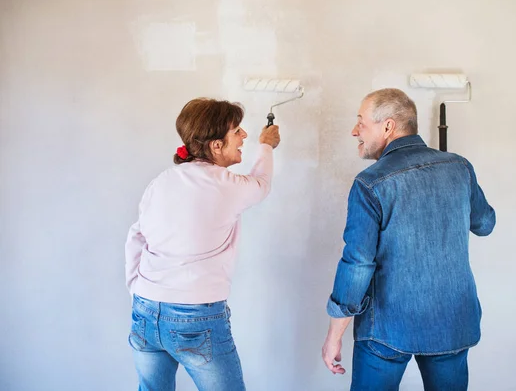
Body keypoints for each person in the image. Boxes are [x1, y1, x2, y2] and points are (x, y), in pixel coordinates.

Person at [322, 88, 496, 391]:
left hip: (387, 328)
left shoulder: (370, 183)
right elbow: (485, 224)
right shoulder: (459, 167)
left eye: (361, 122)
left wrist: (334, 335)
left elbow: (357, 264)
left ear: (388, 126)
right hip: (451, 320)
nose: (354, 131)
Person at [125, 97, 280, 391]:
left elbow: (136, 236)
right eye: (237, 131)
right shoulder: (226, 185)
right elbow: (261, 184)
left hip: (145, 309)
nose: (243, 136)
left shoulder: (161, 182)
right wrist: (266, 145)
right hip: (195, 316)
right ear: (216, 145)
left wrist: (137, 288)